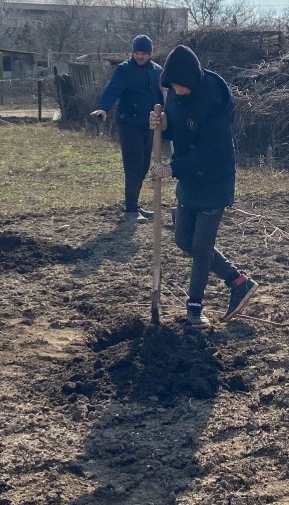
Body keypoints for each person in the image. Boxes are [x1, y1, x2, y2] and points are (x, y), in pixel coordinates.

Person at [149, 44, 258, 329]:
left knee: (201, 247)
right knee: (183, 240)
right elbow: (178, 126)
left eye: (181, 87)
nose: (177, 92)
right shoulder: (175, 91)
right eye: (172, 87)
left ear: (193, 82)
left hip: (214, 178)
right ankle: (238, 281)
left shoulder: (215, 100)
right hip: (188, 177)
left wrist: (171, 168)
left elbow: (210, 151)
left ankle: (194, 307)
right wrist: (162, 124)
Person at [92, 34, 165, 221]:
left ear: (150, 54)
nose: (140, 57)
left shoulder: (157, 71)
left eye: (144, 53)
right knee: (133, 165)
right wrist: (103, 108)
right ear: (132, 53)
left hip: (149, 126)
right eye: (137, 53)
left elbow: (164, 93)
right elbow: (112, 89)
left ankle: (135, 204)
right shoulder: (124, 70)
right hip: (129, 123)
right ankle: (131, 210)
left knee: (143, 166)